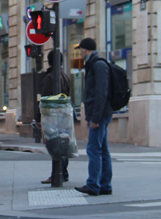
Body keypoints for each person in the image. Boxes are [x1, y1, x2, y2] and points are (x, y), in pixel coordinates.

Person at [74, 38, 113, 197]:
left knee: (93, 149)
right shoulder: (94, 64)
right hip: (100, 113)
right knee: (102, 149)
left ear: (85, 50)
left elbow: (101, 93)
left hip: (101, 114)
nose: (80, 52)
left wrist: (95, 118)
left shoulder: (98, 65)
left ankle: (93, 185)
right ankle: (104, 185)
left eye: (81, 49)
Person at [40, 49, 72, 185]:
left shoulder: (50, 77)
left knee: (54, 143)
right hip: (64, 115)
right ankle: (63, 172)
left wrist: (41, 118)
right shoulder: (65, 76)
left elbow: (45, 99)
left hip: (53, 117)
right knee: (63, 142)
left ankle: (57, 174)